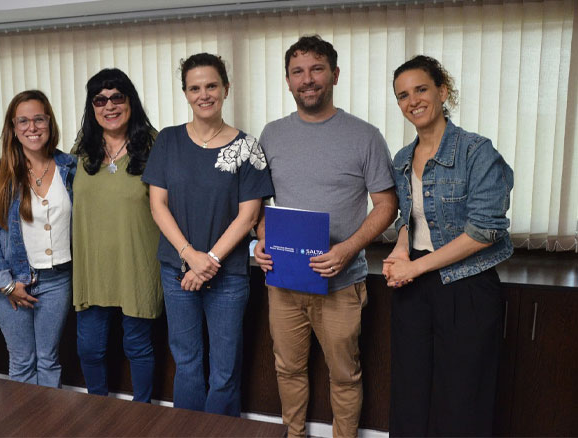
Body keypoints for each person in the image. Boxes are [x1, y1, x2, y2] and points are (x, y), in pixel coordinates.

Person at [253, 35, 397, 437]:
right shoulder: (272, 134)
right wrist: (261, 238)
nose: (308, 79)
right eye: (298, 72)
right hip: (284, 280)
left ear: (334, 74)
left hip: (340, 282)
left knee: (345, 374)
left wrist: (348, 248)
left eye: (317, 69)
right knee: (288, 368)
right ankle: (294, 434)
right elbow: (260, 202)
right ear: (287, 81)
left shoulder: (364, 135)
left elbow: (387, 205)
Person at [383, 55, 513, 436]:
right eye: (403, 95)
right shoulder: (403, 158)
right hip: (414, 287)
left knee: (462, 396)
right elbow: (410, 219)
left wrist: (417, 267)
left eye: (421, 89)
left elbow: (484, 230)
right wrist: (400, 250)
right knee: (409, 391)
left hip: (466, 285)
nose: (413, 101)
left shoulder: (477, 152)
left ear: (442, 91)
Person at [142, 53, 274, 416]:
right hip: (176, 271)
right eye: (195, 88)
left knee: (225, 369)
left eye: (212, 86)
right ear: (185, 93)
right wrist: (191, 256)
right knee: (186, 363)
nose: (204, 94)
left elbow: (249, 215)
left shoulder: (247, 147)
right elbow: (158, 206)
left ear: (226, 89)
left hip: (227, 275)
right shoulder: (168, 141)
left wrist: (210, 260)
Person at [70, 68, 162, 402]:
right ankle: (98, 411)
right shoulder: (80, 153)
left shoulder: (155, 145)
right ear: (92, 107)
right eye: (100, 99)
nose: (109, 106)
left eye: (117, 97)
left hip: (137, 265)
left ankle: (142, 413)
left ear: (130, 102)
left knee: (137, 346)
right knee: (90, 348)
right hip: (92, 269)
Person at [0, 90, 77, 387]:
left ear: (49, 122)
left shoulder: (70, 167)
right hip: (13, 281)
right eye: (23, 121)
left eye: (38, 119)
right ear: (12, 127)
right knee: (22, 362)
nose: (31, 127)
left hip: (58, 280)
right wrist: (7, 284)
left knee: (49, 359)